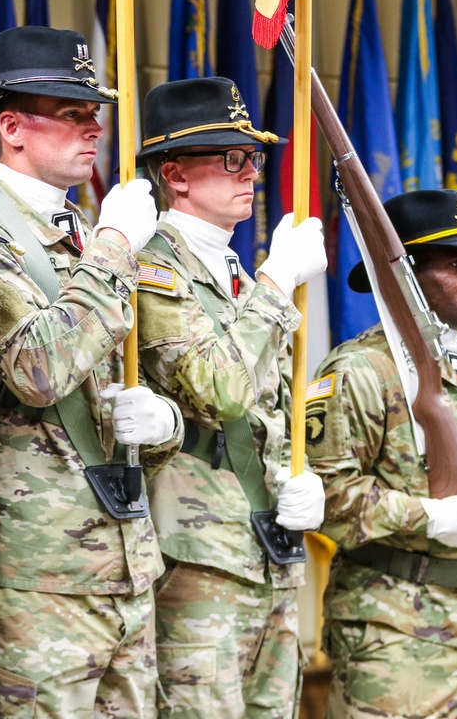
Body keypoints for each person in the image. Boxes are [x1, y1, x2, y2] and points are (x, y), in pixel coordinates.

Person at [0, 25, 183, 719]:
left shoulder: (90, 233)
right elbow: (40, 370)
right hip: (39, 575)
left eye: (95, 111)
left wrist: (162, 424)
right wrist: (113, 247)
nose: (95, 127)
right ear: (12, 126)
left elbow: (116, 387)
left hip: (128, 562)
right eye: (72, 112)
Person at [133, 76, 329, 718]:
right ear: (175, 174)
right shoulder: (150, 270)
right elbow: (220, 390)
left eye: (252, 157)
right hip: (198, 554)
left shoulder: (238, 274)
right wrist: (276, 279)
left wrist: (300, 480)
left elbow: (271, 412)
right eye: (228, 157)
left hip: (266, 541)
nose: (249, 172)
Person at [306, 189, 457, 718]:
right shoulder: (358, 374)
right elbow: (326, 497)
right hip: (396, 635)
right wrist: (428, 517)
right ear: (402, 276)